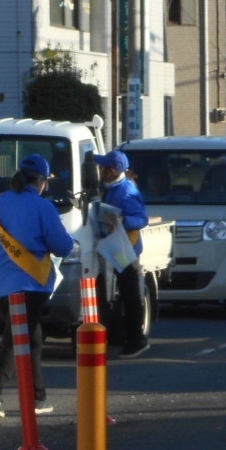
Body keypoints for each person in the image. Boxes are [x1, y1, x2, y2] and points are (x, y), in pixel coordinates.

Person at [0, 153, 78, 419]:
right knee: (17, 338)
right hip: (30, 285)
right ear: (42, 181)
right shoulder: (43, 207)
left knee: (31, 339)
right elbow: (63, 246)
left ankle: (38, 398)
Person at [92, 149, 150, 358]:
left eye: (103, 166)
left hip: (126, 249)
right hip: (114, 246)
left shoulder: (126, 191)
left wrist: (124, 221)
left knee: (130, 295)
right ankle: (126, 338)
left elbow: (142, 219)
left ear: (113, 170)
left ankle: (136, 341)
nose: (99, 169)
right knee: (123, 294)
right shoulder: (109, 186)